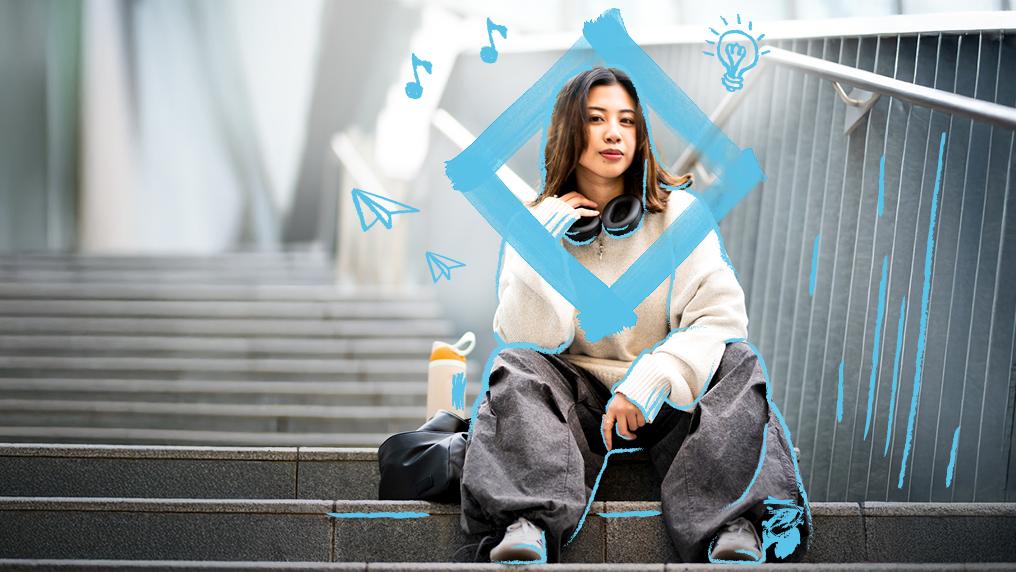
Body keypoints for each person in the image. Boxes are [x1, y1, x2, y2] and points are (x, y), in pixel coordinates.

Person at [458, 66, 809, 564]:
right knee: (514, 366)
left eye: (626, 120)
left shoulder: (680, 216)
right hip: (575, 400)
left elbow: (719, 317)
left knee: (737, 361)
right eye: (596, 118)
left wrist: (653, 378)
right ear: (569, 130)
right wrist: (538, 245)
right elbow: (529, 337)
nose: (613, 133)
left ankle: (732, 525)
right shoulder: (536, 226)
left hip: (665, 399)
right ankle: (528, 522)